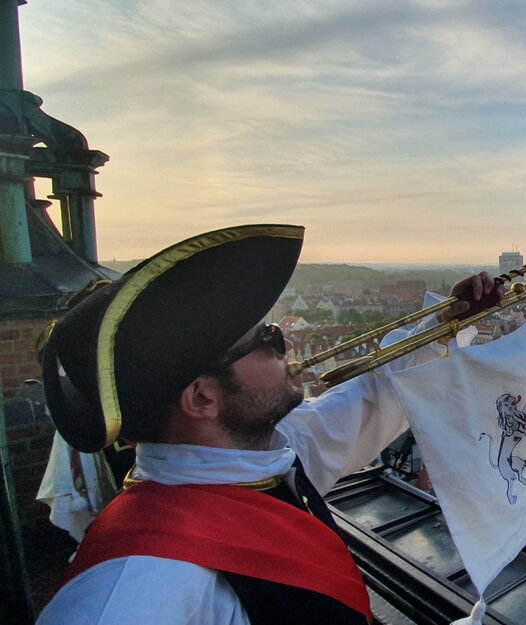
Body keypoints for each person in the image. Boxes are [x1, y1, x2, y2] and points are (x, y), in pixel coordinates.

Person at [35, 224, 500, 624]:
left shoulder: (260, 455)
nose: (285, 348)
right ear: (202, 397)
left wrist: (444, 320)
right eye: (267, 339)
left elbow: (371, 398)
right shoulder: (134, 591)